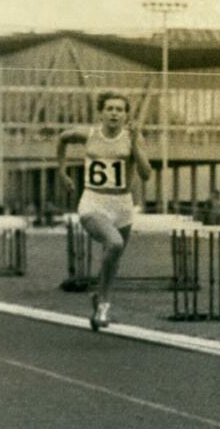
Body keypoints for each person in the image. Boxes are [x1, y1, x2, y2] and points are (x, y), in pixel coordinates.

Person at [57, 93, 152, 331]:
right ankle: (103, 302)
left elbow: (146, 173)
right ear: (101, 112)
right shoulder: (88, 134)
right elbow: (62, 137)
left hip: (122, 204)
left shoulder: (132, 137)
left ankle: (102, 303)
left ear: (126, 115)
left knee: (114, 258)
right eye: (109, 108)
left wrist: (135, 146)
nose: (114, 113)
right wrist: (62, 170)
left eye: (120, 110)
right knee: (115, 243)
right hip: (93, 201)